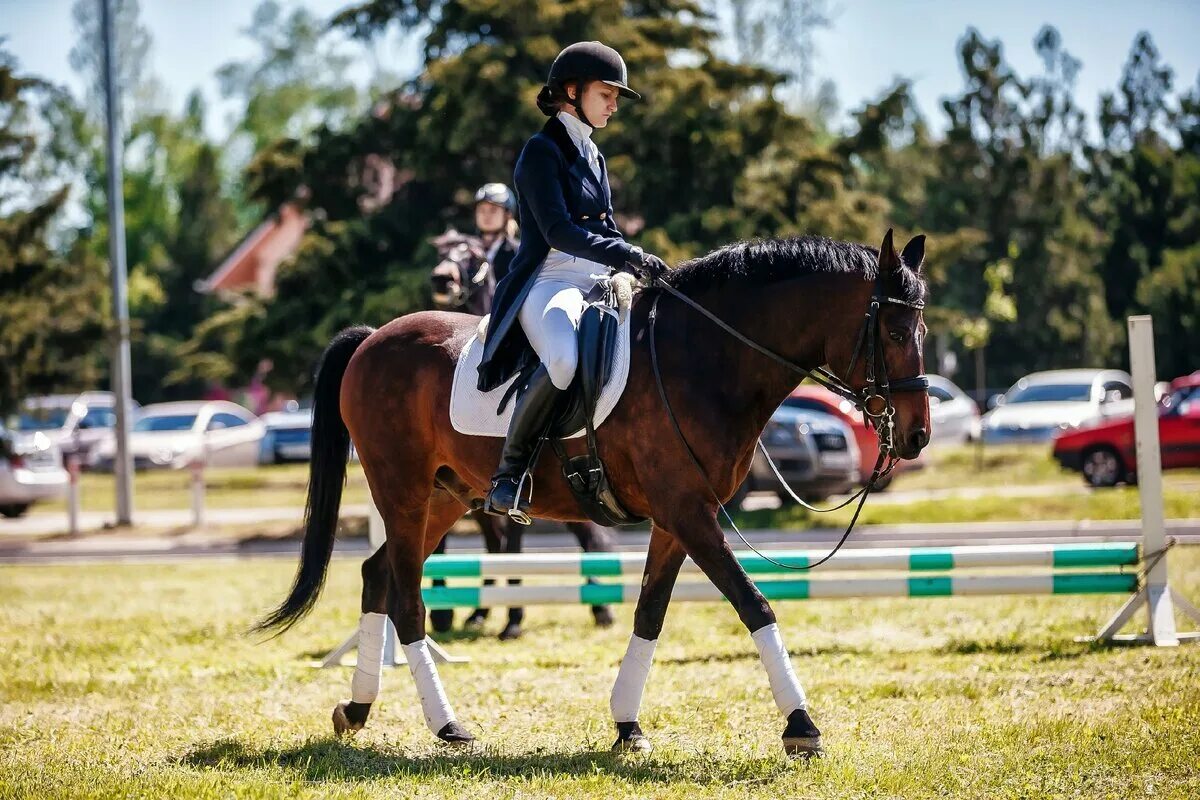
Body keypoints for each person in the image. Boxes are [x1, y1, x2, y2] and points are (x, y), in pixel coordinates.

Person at [476, 41, 670, 520]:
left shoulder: (595, 156)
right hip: (548, 280)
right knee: (562, 358)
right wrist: (627, 252)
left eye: (615, 96)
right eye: (606, 93)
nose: (613, 104)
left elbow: (605, 229)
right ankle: (509, 474)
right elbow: (560, 231)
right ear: (571, 90)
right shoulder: (540, 152)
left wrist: (633, 262)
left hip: (599, 280)